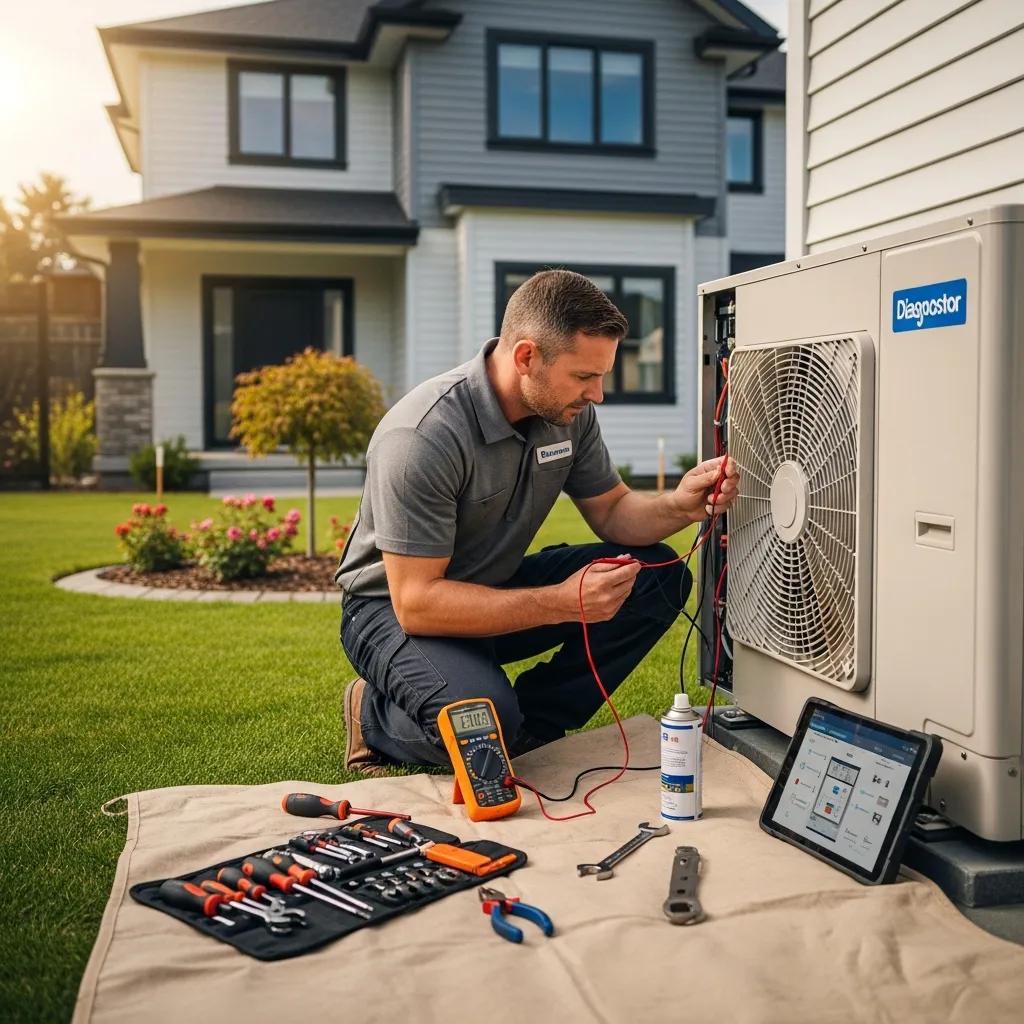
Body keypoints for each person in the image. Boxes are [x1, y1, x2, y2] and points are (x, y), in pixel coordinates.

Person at [336, 269, 738, 773]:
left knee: (657, 577)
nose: (598, 395)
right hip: (390, 612)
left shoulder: (566, 415)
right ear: (526, 357)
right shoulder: (423, 436)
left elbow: (613, 511)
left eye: (602, 375)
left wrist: (681, 505)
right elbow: (417, 603)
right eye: (584, 376)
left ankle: (532, 728)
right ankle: (373, 714)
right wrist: (561, 603)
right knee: (484, 730)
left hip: (492, 587)